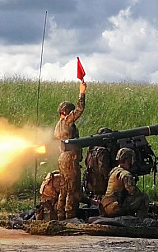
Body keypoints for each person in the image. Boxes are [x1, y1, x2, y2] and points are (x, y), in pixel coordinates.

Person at [54, 80, 87, 220]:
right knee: (73, 188)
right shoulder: (67, 121)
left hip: (62, 158)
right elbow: (80, 109)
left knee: (63, 187)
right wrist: (82, 92)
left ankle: (60, 214)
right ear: (67, 112)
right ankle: (70, 216)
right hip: (70, 158)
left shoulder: (58, 125)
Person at [101, 148, 150, 218]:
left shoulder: (113, 171)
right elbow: (134, 192)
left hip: (106, 206)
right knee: (144, 197)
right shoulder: (125, 174)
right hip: (116, 207)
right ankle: (140, 221)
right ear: (129, 160)